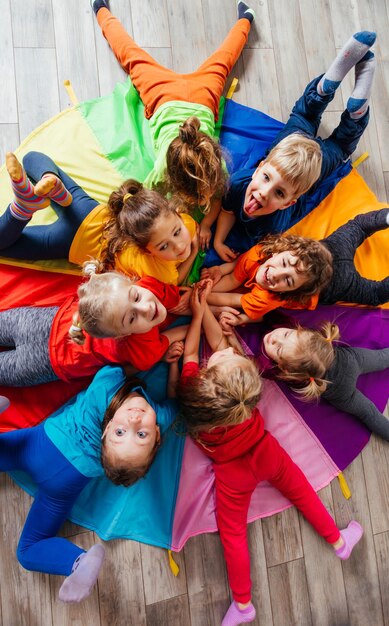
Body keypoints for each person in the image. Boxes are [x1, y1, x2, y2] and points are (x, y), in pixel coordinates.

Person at [176, 281, 363, 626]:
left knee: (232, 534)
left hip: (231, 469)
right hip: (265, 451)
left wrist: (200, 313)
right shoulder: (246, 389)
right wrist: (208, 318)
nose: (226, 348)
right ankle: (338, 542)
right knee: (302, 492)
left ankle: (244, 605)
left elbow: (193, 353)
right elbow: (220, 347)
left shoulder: (191, 390)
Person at [0, 363, 179, 603]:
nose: (135, 419)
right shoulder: (159, 416)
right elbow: (177, 402)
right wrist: (176, 364)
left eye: (122, 433)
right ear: (157, 435)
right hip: (64, 484)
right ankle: (78, 562)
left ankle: (82, 564)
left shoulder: (104, 390)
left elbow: (123, 362)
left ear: (106, 430)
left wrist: (168, 349)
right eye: (141, 434)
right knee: (28, 550)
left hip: (38, 446)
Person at [90, 0, 255, 249]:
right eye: (200, 196)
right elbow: (147, 205)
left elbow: (219, 197)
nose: (205, 199)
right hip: (172, 96)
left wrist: (207, 225)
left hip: (195, 97)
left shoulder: (216, 165)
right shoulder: (161, 170)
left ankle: (247, 19)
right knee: (130, 54)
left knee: (221, 59)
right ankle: (100, 10)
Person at [213, 31, 377, 261]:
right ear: (259, 168)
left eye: (278, 193)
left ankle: (341, 98)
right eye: (266, 178)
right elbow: (228, 209)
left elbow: (230, 212)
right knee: (307, 118)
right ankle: (331, 91)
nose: (263, 193)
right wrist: (219, 240)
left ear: (289, 203)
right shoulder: (240, 181)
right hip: (287, 146)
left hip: (313, 165)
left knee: (334, 141)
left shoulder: (273, 223)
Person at [0, 152, 199, 285]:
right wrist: (194, 252)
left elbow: (190, 226)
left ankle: (49, 181)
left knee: (31, 158)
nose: (179, 246)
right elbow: (175, 281)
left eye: (176, 232)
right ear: (141, 247)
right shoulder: (161, 272)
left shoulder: (186, 223)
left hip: (87, 210)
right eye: (164, 246)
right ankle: (21, 209)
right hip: (71, 241)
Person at [0, 259, 187, 386]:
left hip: (39, 331)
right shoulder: (141, 343)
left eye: (136, 298)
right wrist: (194, 318)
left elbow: (174, 295)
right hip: (45, 355)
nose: (146, 308)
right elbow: (149, 358)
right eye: (131, 316)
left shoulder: (143, 288)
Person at [204, 208, 389, 331]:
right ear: (280, 250)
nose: (275, 275)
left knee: (375, 295)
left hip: (337, 281)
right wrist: (208, 282)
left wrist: (201, 293)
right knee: (358, 226)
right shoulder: (260, 252)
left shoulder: (270, 297)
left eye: (288, 280)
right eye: (284, 263)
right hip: (331, 248)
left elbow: (230, 298)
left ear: (292, 292)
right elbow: (232, 280)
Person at [261, 319, 389, 440]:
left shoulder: (280, 373)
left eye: (278, 349)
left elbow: (258, 367)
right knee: (382, 358)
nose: (274, 338)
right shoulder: (302, 335)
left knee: (369, 413)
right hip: (352, 361)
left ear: (285, 370)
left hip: (343, 391)